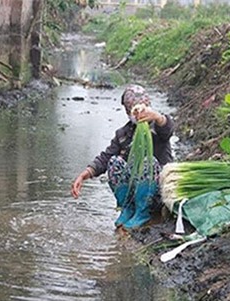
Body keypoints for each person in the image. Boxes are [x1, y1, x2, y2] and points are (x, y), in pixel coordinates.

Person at [71, 84, 174, 229]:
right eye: (133, 110)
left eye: (142, 108)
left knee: (147, 162)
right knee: (114, 162)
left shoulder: (157, 126)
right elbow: (105, 158)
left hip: (157, 192)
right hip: (135, 190)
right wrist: (84, 175)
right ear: (128, 111)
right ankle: (128, 208)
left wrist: (156, 116)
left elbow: (168, 128)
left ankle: (143, 212)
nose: (138, 114)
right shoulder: (124, 134)